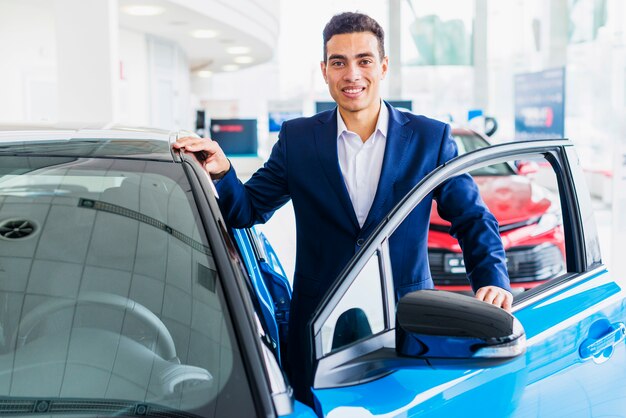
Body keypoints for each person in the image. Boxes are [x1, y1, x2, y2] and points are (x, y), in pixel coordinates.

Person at [174, 11, 512, 406]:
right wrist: (223, 170)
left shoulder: (428, 138)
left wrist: (492, 278)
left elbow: (471, 217)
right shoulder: (299, 139)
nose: (352, 74)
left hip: (405, 324)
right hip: (319, 326)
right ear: (325, 71)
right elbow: (248, 209)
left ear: (383, 66)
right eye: (339, 62)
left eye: (364, 60)